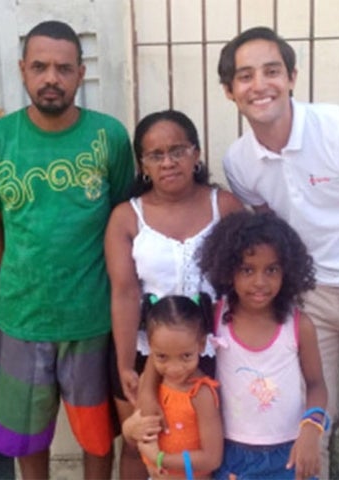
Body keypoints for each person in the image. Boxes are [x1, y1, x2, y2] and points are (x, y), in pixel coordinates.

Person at [217, 26, 339, 479]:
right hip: (309, 298)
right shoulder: (239, 161)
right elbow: (278, 236)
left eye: (271, 71)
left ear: (291, 77)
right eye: (245, 76)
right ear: (230, 91)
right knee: (308, 429)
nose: (259, 85)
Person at [0, 20, 134, 479]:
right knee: (27, 436)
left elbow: (126, 222)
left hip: (93, 317)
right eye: (40, 66)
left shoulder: (109, 137)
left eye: (64, 68)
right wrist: (14, 273)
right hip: (22, 316)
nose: (51, 78)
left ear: (81, 74)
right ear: (23, 70)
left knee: (97, 435)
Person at [105, 109, 244, 478]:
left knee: (205, 447)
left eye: (178, 150)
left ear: (196, 154)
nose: (168, 162)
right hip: (144, 352)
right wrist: (123, 364)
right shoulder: (126, 216)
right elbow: (123, 292)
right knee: (140, 445)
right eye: (155, 155)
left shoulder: (225, 207)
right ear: (143, 165)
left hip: (209, 351)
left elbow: (246, 282)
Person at [195, 210, 327, 479]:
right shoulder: (213, 317)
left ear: (287, 272)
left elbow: (316, 384)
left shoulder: (299, 326)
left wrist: (312, 429)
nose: (259, 282)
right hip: (231, 456)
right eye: (247, 270)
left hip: (289, 455)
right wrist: (148, 394)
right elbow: (173, 353)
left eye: (272, 270)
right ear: (228, 270)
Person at [122, 294, 224, 479]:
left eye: (186, 356)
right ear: (150, 346)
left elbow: (212, 459)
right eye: (162, 357)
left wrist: (161, 459)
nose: (174, 368)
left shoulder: (201, 394)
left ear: (201, 345)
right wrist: (129, 429)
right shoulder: (150, 385)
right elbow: (135, 437)